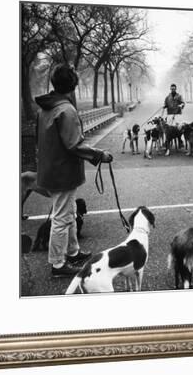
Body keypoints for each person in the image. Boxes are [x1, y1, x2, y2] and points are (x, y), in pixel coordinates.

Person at [35, 65, 113, 277]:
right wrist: (99, 155)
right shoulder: (66, 110)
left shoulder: (46, 108)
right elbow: (74, 145)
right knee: (62, 218)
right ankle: (58, 264)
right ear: (73, 86)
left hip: (52, 168)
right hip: (63, 171)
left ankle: (73, 251)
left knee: (68, 213)